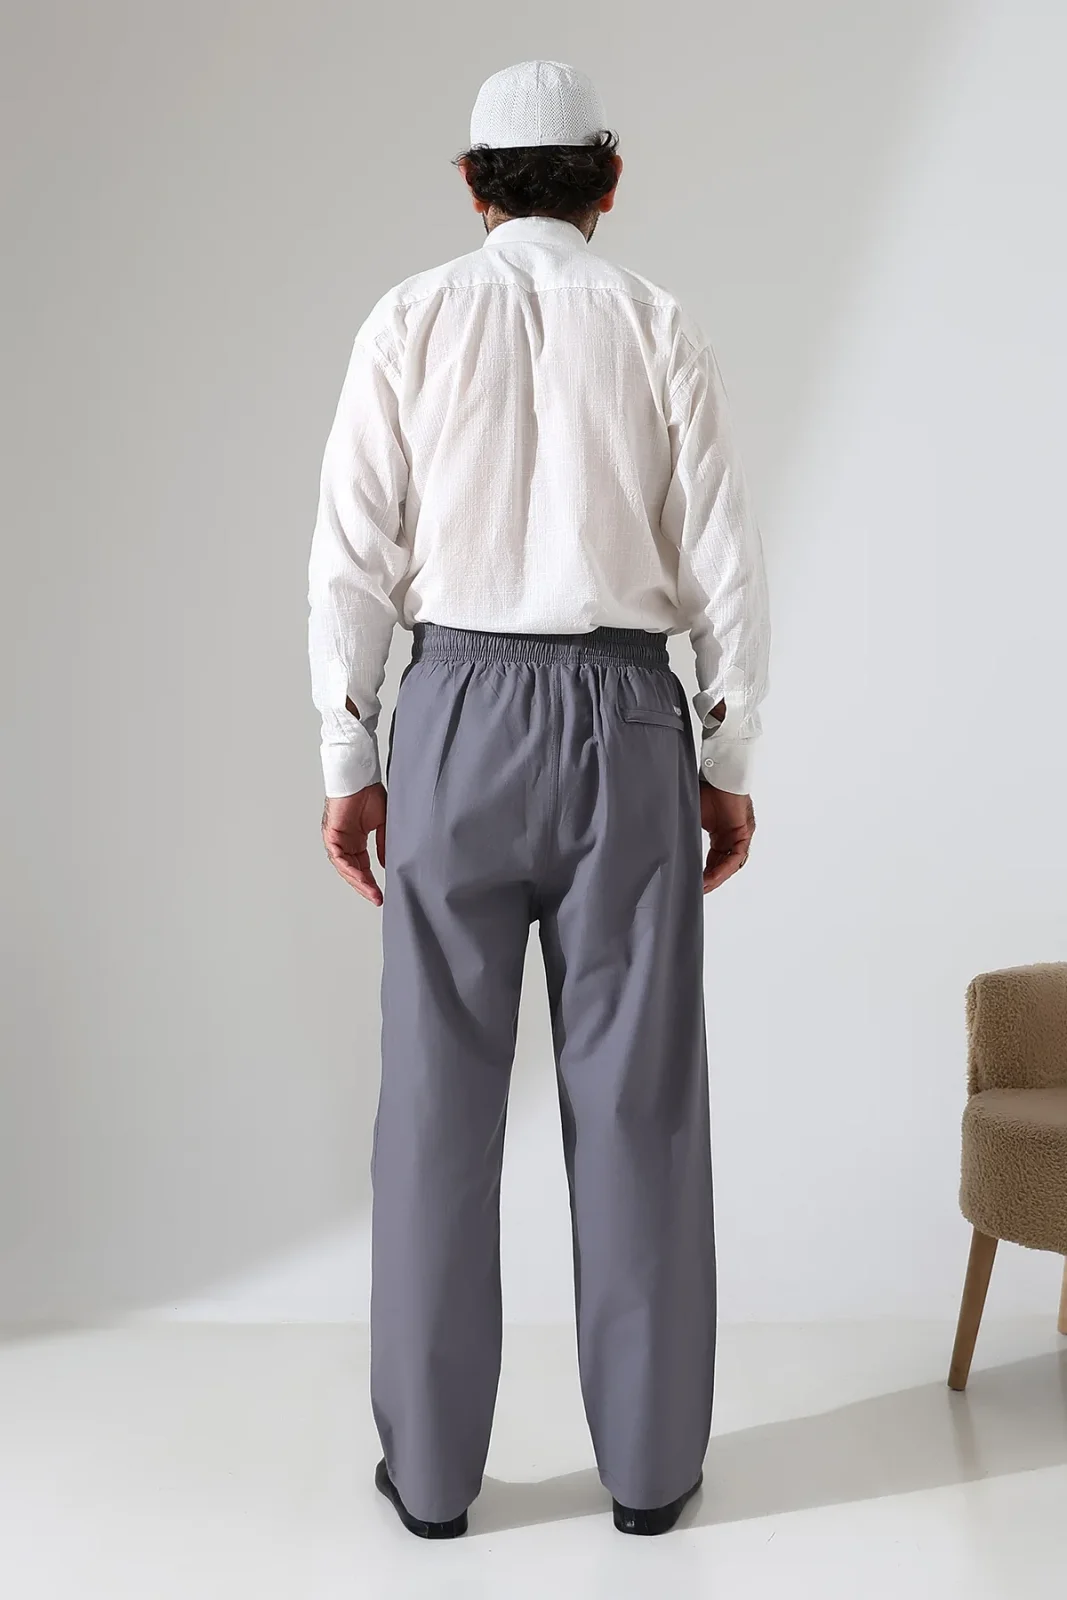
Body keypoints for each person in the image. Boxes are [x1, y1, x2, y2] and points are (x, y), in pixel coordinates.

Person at [307, 58, 770, 1539]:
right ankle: (650, 1474)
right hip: (628, 718)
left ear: (473, 183)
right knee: (639, 1105)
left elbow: (351, 556)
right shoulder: (656, 324)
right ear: (606, 185)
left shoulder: (408, 318)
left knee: (434, 1110)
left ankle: (433, 1483)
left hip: (453, 713)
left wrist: (351, 759)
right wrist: (723, 760)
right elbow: (725, 563)